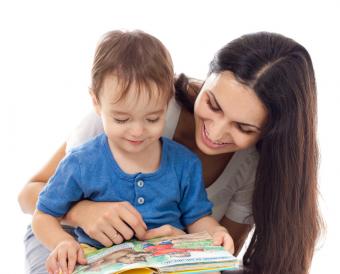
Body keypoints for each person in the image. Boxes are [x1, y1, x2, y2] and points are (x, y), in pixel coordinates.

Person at [19, 31, 322, 274]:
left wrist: (195, 245)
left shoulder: (201, 163)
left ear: (269, 133)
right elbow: (30, 198)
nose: (215, 133)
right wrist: (81, 212)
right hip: (71, 240)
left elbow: (216, 247)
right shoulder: (129, 109)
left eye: (243, 128)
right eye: (213, 104)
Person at [31, 30, 233, 274]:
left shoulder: (184, 163)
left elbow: (198, 218)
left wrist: (216, 233)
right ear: (96, 102)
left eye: (152, 118)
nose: (137, 131)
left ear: (168, 101)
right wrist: (64, 243)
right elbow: (43, 216)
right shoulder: (81, 162)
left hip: (169, 264)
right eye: (121, 119)